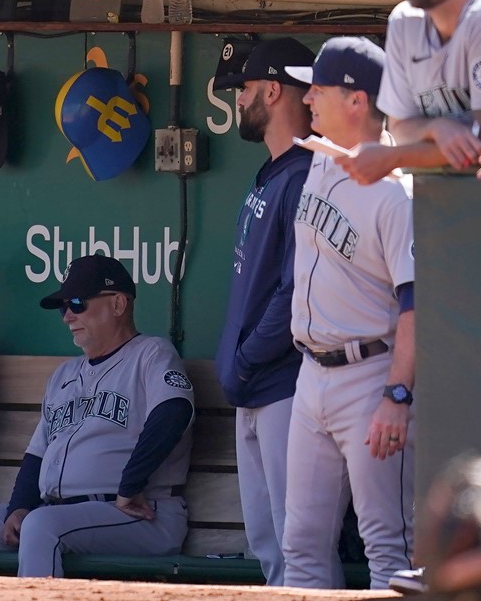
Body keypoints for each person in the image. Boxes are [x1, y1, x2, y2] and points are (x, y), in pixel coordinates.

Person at [0, 254, 195, 578]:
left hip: (138, 513)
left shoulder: (151, 354)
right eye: (63, 306)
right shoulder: (64, 374)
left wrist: (129, 486)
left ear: (119, 304)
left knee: (42, 526)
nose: (68, 315)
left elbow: (172, 412)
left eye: (78, 303)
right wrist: (18, 508)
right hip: (58, 511)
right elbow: (37, 454)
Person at [282, 37, 416, 590]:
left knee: (389, 549)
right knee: (301, 546)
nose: (307, 97)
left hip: (369, 378)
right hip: (311, 375)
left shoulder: (396, 195)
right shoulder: (318, 162)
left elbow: (417, 304)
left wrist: (398, 396)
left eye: (318, 87)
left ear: (357, 100)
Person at [213, 37, 315, 586]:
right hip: (252, 386)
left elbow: (295, 290)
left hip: (283, 384)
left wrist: (248, 358)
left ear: (273, 90)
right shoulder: (275, 170)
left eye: (246, 88)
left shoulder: (303, 174)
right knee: (267, 546)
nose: (239, 98)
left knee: (294, 543)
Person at [337, 0, 481, 185]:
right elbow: (399, 129)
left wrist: (393, 157)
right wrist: (436, 128)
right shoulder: (404, 21)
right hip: (442, 203)